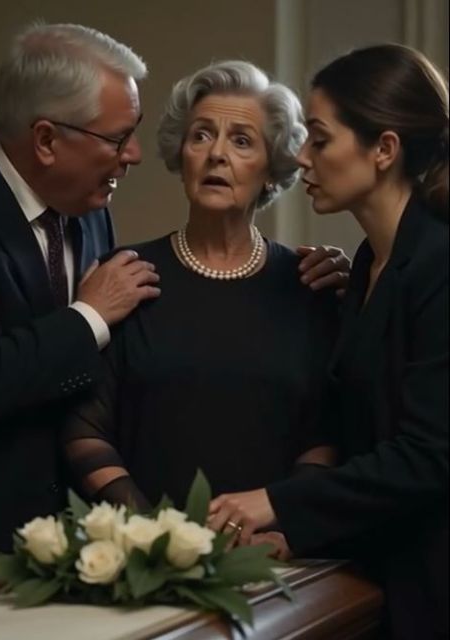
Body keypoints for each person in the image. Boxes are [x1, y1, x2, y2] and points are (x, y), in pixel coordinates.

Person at [208, 44, 449, 640]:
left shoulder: (440, 262)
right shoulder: (367, 262)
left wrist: (276, 503)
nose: (301, 156)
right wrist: (297, 533)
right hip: (390, 575)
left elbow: (429, 455)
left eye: (319, 139)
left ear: (384, 149)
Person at [61, 60, 348, 515]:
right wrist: (151, 533)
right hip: (139, 544)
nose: (216, 154)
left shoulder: (308, 283)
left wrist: (279, 522)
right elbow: (84, 432)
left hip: (274, 546)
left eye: (241, 141)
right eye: (201, 135)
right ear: (182, 155)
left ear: (272, 168)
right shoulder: (124, 275)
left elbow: (325, 437)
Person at [0, 22, 161, 594]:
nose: (134, 155)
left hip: (73, 545)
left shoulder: (87, 203)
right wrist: (90, 315)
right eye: (118, 138)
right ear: (45, 140)